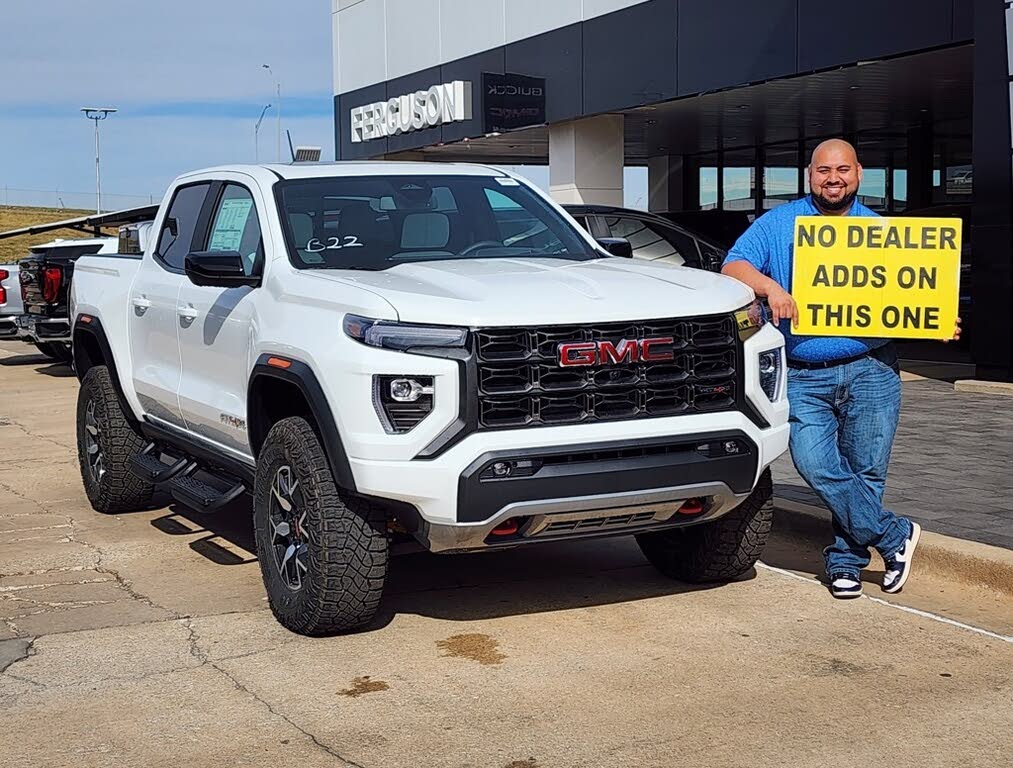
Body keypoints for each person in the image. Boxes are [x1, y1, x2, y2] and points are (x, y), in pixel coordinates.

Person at [721, 139, 960, 599]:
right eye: (823, 170)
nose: (834, 178)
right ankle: (894, 536)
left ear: (859, 174)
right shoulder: (780, 223)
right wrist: (770, 288)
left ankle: (846, 563)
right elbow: (733, 266)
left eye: (843, 170)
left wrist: (938, 316)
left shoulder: (881, 233)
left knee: (866, 471)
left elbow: (913, 295)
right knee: (814, 463)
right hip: (806, 372)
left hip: (872, 369)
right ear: (810, 175)